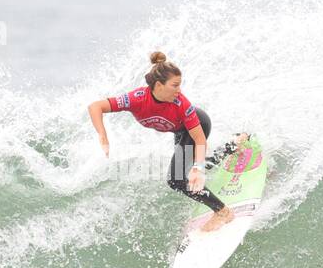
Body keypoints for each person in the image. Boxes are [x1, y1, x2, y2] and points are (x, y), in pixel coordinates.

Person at [89, 51, 242, 233]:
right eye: (175, 85)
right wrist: (102, 134)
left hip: (197, 126)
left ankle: (223, 212)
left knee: (177, 179)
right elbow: (96, 106)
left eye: (180, 85)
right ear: (159, 85)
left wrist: (198, 168)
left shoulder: (181, 103)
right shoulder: (137, 98)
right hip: (179, 130)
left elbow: (199, 139)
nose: (179, 90)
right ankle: (232, 146)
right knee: (187, 171)